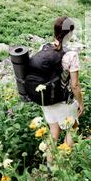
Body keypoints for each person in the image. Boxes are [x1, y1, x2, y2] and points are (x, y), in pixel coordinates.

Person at [30, 17, 84, 150]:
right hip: (64, 100)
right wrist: (81, 103)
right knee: (72, 129)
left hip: (46, 99)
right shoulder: (71, 55)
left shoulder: (43, 47)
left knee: (53, 132)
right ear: (70, 33)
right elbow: (75, 85)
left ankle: (50, 166)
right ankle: (64, 163)